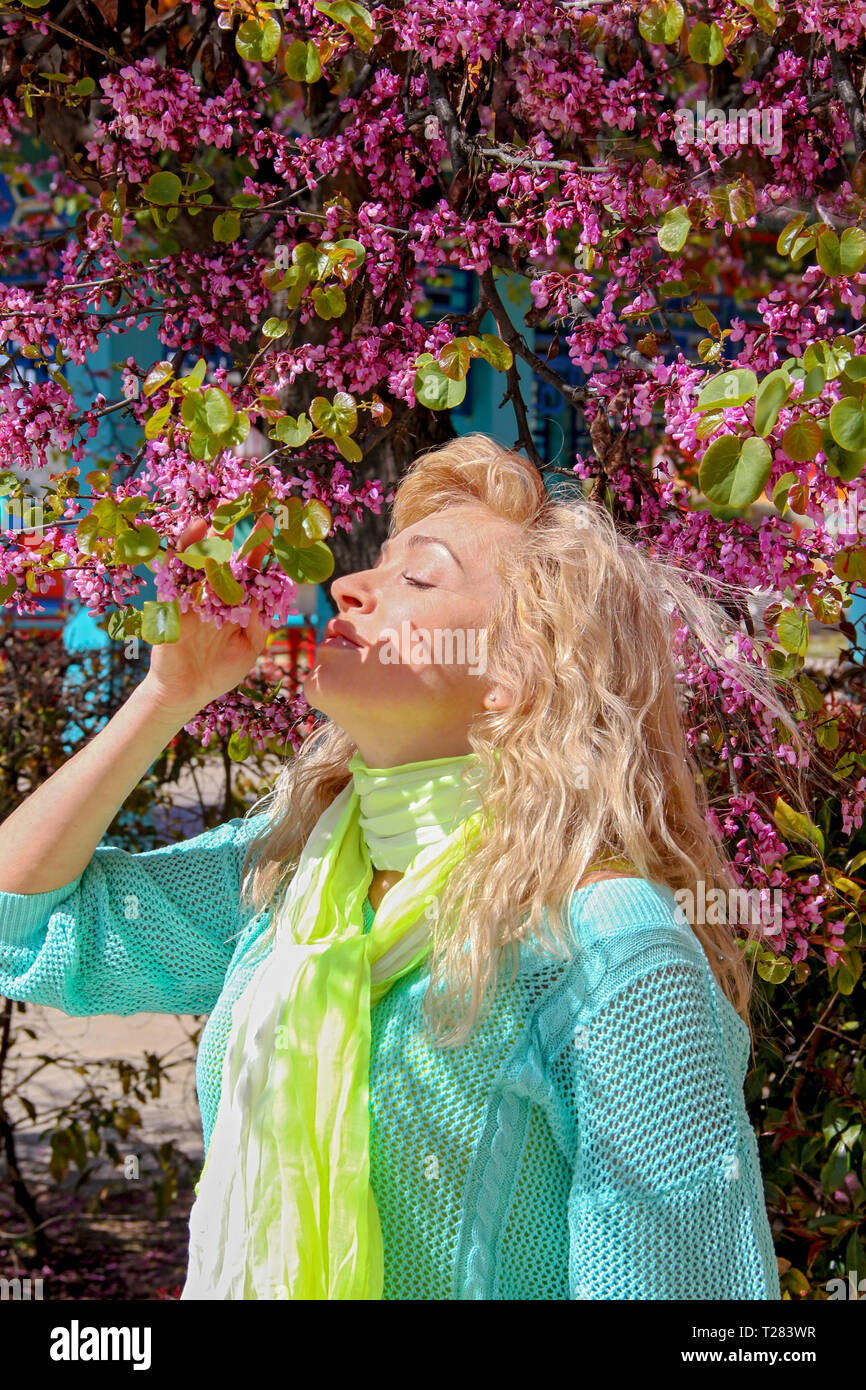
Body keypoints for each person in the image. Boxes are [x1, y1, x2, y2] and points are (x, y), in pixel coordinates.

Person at [0, 432, 792, 1300]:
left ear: (519, 676)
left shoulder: (612, 951)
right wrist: (167, 695)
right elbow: (23, 925)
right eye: (378, 565)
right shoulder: (293, 878)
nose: (348, 587)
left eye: (419, 577)